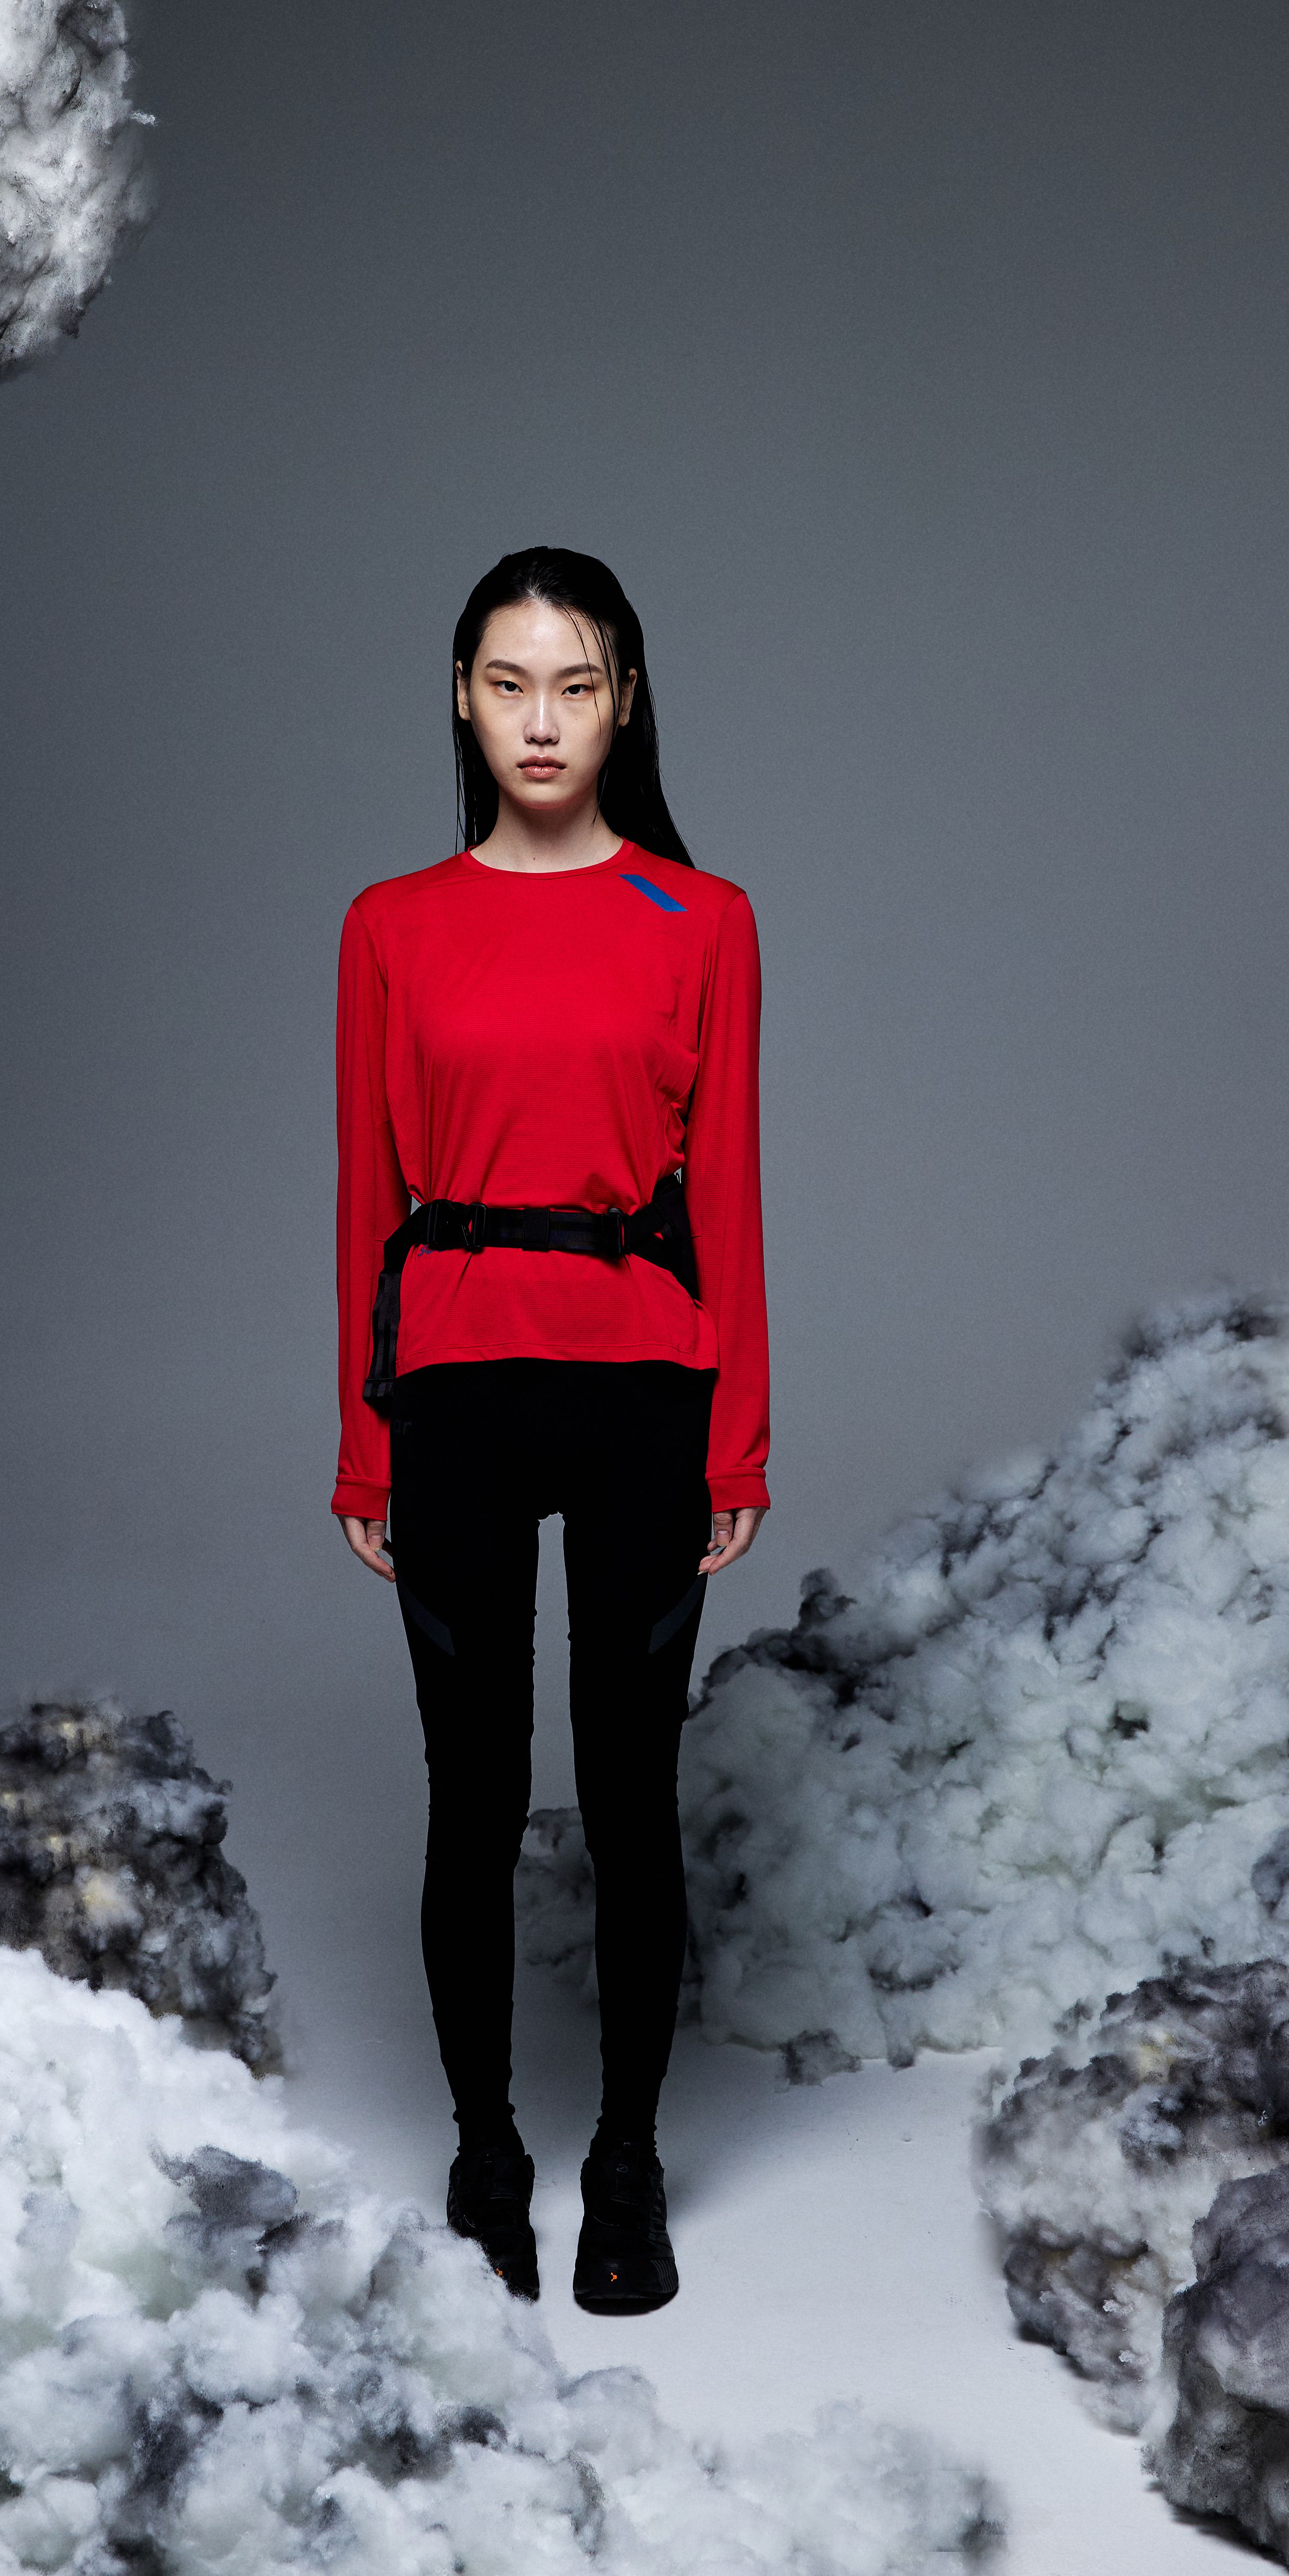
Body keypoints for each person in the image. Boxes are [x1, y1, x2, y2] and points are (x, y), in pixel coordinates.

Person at [332, 546, 768, 2314]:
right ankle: (487, 2151)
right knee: (474, 1793)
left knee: (633, 1795)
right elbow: (366, 1198)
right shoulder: (390, 924)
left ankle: (629, 2161)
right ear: (461, 696)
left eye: (575, 686)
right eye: (509, 683)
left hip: (644, 1388)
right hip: (450, 1386)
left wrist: (739, 1439)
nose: (541, 720)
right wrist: (361, 1440)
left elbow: (729, 1194)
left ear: (624, 702)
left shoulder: (701, 917)